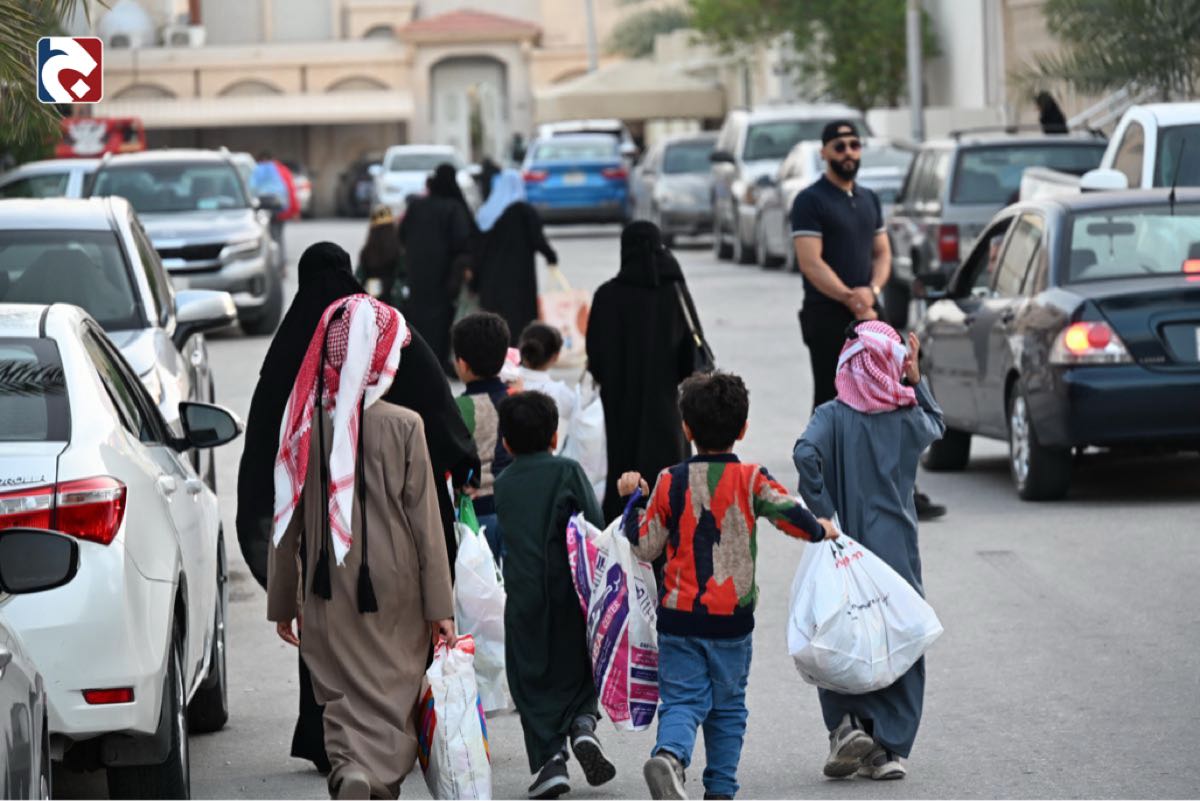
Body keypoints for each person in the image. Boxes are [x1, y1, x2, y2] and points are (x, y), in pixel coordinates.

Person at [236, 242, 477, 774]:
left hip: (324, 555)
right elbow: (440, 413)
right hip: (398, 540)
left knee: (331, 655)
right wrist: (464, 463)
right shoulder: (387, 333)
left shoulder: (299, 352)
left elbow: (272, 475)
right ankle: (386, 757)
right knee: (397, 654)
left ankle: (338, 751)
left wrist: (282, 590)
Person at [268, 296, 457, 800]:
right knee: (394, 690)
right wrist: (440, 608)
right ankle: (378, 781)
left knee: (341, 692)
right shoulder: (406, 424)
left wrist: (283, 600)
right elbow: (426, 524)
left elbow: (285, 519)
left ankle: (350, 767)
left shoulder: (304, 424)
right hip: (397, 583)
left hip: (325, 582)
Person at [616, 372, 838, 801]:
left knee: (682, 701)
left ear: (686, 429)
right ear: (743, 429)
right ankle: (720, 789)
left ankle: (671, 756)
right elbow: (789, 513)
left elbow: (645, 546)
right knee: (728, 706)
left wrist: (634, 503)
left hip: (679, 619)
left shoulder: (669, 480)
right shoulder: (752, 479)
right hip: (731, 622)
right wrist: (820, 529)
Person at [792, 321, 945, 782]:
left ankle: (845, 725)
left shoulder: (831, 415)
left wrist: (823, 511)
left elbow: (804, 454)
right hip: (896, 551)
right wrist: (916, 379)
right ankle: (888, 748)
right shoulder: (906, 416)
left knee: (838, 631)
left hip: (842, 548)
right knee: (899, 635)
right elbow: (936, 424)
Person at [791, 120, 946, 522]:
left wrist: (872, 292)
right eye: (840, 146)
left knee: (893, 398)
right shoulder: (810, 201)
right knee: (832, 402)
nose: (848, 153)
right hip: (828, 316)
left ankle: (902, 490)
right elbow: (810, 261)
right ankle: (823, 493)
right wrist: (850, 296)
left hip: (871, 316)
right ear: (824, 152)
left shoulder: (869, 199)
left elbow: (883, 252)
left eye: (854, 145)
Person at [493, 391, 615, 799]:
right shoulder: (568, 471)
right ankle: (583, 723)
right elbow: (595, 524)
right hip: (569, 595)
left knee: (528, 677)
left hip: (524, 600)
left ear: (506, 442)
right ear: (554, 435)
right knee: (578, 662)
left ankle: (550, 760)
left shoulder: (504, 484)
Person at [586, 221, 704, 520]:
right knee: (671, 489)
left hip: (619, 409)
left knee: (624, 479)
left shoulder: (606, 296)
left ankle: (627, 532)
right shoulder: (673, 293)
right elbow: (690, 359)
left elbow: (595, 360)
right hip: (666, 410)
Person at [399, 163, 476, 373]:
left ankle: (418, 361)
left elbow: (402, 235)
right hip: (444, 275)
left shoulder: (416, 206)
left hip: (417, 272)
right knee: (441, 319)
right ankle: (437, 364)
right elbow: (463, 241)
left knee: (418, 316)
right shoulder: (454, 208)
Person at [452, 311, 514, 561]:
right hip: (515, 510)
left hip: (474, 516)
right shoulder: (518, 402)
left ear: (462, 364)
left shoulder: (458, 409)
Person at [473, 168, 558, 344]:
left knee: (494, 325)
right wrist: (551, 256)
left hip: (491, 280)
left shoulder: (486, 212)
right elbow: (537, 239)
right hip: (519, 280)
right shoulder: (524, 211)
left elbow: (477, 247)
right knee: (519, 323)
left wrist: (475, 281)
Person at [517, 322, 576, 453]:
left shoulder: (505, 380)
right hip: (547, 459)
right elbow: (579, 418)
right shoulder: (559, 391)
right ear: (555, 356)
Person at [357, 206, 406, 308]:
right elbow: (403, 274)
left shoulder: (366, 251)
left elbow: (359, 278)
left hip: (372, 301)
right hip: (394, 300)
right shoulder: (399, 250)